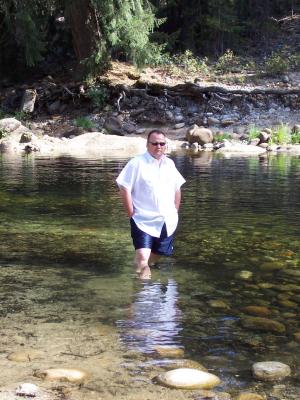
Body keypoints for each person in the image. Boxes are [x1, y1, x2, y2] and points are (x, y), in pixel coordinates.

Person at [116, 130, 186, 279]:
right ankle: (144, 295)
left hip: (167, 220)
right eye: (154, 143)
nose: (158, 146)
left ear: (165, 145)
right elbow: (124, 188)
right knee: (142, 257)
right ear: (147, 145)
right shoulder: (136, 163)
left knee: (156, 255)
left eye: (162, 143)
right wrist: (131, 213)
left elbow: (177, 188)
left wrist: (175, 211)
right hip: (142, 219)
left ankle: (141, 272)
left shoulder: (170, 164)